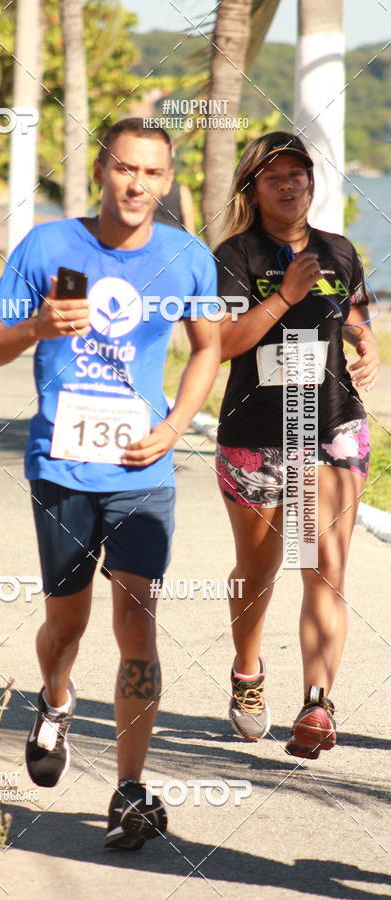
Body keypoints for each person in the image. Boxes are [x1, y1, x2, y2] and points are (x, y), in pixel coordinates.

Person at [0, 118, 220, 849]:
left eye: (152, 173)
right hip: (62, 465)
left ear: (168, 182)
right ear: (102, 172)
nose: (137, 185)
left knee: (136, 618)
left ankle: (131, 789)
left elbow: (208, 349)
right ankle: (54, 699)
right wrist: (35, 328)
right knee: (67, 624)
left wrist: (174, 427)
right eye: (124, 170)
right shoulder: (48, 246)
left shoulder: (188, 258)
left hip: (144, 468)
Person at [213, 132, 380, 758]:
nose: (290, 185)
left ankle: (317, 704)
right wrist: (284, 294)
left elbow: (355, 314)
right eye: (274, 176)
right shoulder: (235, 256)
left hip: (330, 429)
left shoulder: (339, 251)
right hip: (258, 436)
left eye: (299, 174)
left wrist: (369, 346)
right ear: (252, 189)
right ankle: (248, 674)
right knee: (259, 571)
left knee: (325, 567)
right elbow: (222, 345)